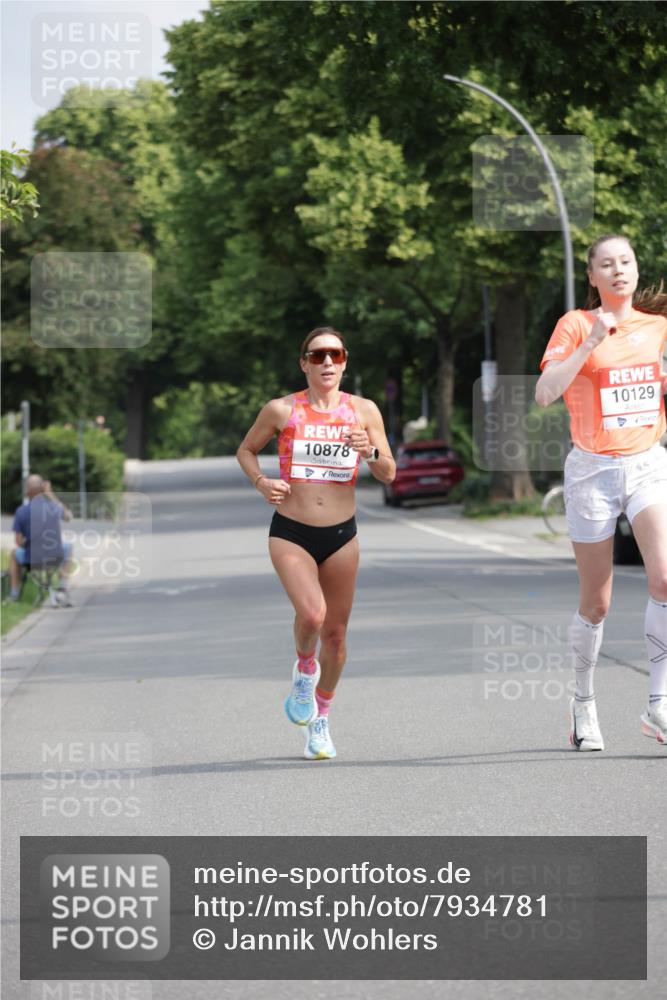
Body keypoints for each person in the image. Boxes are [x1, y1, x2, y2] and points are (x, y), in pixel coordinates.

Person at [237, 327, 396, 759]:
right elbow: (246, 450)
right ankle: (305, 669)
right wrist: (261, 481)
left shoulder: (363, 411)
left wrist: (371, 453)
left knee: (338, 636)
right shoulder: (282, 410)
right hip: (291, 531)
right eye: (318, 355)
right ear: (304, 363)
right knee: (312, 614)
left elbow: (389, 473)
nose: (328, 362)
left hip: (343, 535)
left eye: (336, 354)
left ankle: (320, 720)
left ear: (345, 362)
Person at [536, 234, 667, 749]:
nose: (618, 271)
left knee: (664, 579)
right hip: (591, 469)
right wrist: (591, 342)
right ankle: (583, 702)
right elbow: (546, 392)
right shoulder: (574, 324)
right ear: (592, 277)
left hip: (646, 464)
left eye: (626, 262)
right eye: (606, 265)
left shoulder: (658, 328)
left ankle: (658, 705)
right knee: (598, 602)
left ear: (636, 270)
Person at [8, 475, 74, 604]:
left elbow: (18, 542)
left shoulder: (21, 511)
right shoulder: (54, 507)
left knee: (14, 554)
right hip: (55, 557)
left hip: (32, 560)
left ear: (28, 492)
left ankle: (14, 595)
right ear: (43, 489)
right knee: (68, 547)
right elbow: (68, 516)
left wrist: (30, 543)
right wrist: (50, 494)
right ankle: (62, 588)